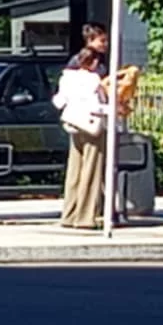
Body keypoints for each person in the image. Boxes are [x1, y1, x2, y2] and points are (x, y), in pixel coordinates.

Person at [54, 47, 109, 229]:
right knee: (91, 171)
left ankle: (69, 214)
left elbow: (59, 101)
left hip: (73, 124)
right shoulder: (94, 80)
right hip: (91, 126)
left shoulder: (66, 78)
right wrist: (112, 109)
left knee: (74, 170)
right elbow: (97, 105)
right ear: (94, 62)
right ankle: (85, 217)